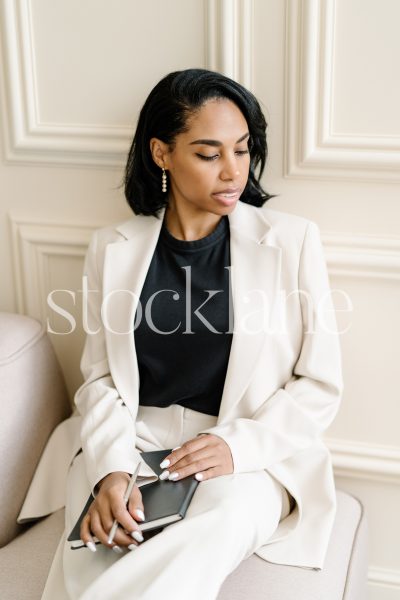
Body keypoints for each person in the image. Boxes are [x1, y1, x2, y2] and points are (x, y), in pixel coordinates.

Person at [25, 68, 342, 599]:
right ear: (161, 153)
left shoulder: (291, 242)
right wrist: (109, 470)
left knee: (219, 526)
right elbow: (100, 378)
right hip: (131, 440)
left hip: (242, 452)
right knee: (102, 541)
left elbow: (320, 384)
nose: (232, 172)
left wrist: (235, 446)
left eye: (242, 150)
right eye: (208, 153)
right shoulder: (113, 246)